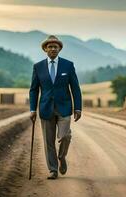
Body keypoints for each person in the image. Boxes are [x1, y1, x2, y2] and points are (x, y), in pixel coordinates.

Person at [29, 35, 82, 179]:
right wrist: (32, 109)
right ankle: (53, 170)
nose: (53, 48)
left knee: (65, 136)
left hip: (64, 107)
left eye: (55, 46)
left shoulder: (68, 65)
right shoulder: (38, 67)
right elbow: (34, 89)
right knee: (48, 142)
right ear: (45, 49)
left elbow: (75, 88)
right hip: (46, 108)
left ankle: (61, 157)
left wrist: (78, 108)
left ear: (59, 49)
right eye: (50, 46)